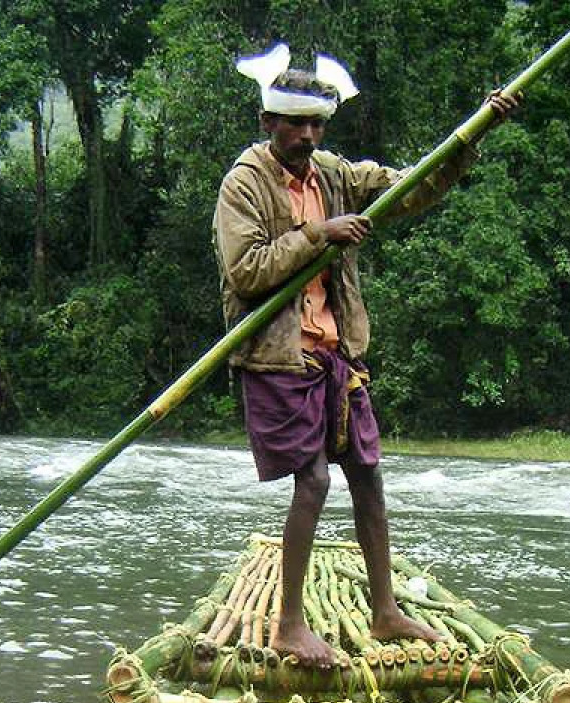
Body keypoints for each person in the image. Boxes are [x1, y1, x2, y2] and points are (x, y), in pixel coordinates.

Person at [214, 43, 518, 668]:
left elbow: (410, 187)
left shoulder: (334, 175)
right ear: (268, 122)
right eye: (294, 123)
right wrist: (316, 235)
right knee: (313, 480)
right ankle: (289, 626)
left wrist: (472, 138)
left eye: (316, 124)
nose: (306, 135)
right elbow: (247, 273)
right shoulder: (242, 185)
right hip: (279, 356)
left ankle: (384, 611)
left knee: (368, 476)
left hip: (336, 352)